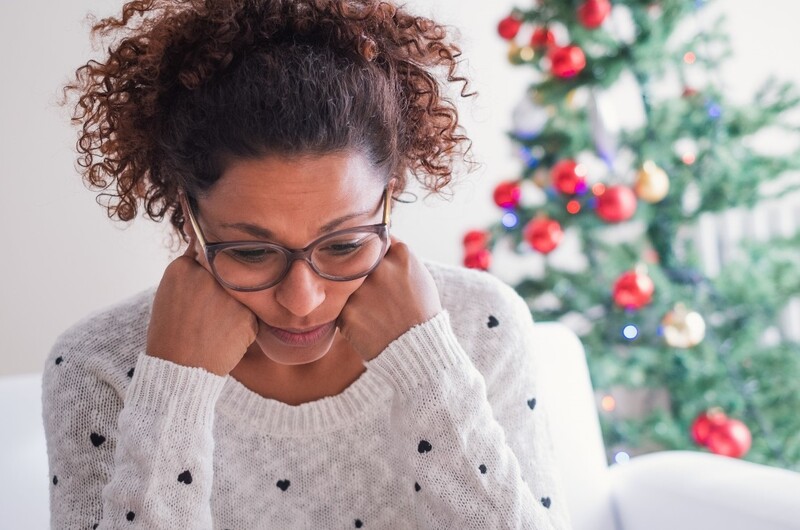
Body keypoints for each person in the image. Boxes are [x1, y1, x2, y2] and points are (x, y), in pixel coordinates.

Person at [42, 0, 572, 528]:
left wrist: (428, 372)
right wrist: (173, 391)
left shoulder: (482, 326)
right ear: (190, 217)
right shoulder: (98, 366)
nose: (302, 299)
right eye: (251, 252)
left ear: (389, 201)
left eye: (342, 245)